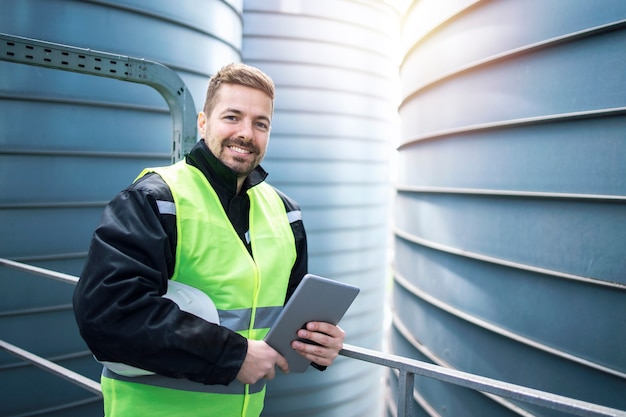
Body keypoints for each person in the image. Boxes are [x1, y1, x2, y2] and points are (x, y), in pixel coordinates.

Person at [73, 62, 345, 417]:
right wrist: (232, 355)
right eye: (232, 117)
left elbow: (287, 317)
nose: (246, 133)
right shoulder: (155, 200)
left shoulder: (285, 213)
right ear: (203, 123)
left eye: (260, 123)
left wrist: (319, 343)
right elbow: (107, 314)